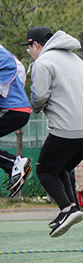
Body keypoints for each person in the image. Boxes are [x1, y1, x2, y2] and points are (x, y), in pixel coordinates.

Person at [25, 26, 83, 236]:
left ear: (36, 45)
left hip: (68, 128)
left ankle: (66, 209)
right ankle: (72, 208)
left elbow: (39, 96)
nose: (30, 53)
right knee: (62, 168)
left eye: (29, 48)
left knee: (45, 170)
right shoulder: (79, 62)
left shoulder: (43, 62)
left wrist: (36, 108)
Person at [0, 43, 32, 198]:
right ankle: (12, 164)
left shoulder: (5, 57)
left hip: (12, 110)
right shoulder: (8, 56)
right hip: (17, 109)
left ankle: (14, 163)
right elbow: (19, 68)